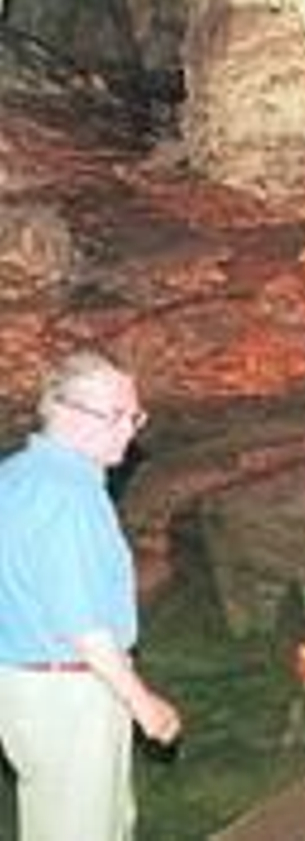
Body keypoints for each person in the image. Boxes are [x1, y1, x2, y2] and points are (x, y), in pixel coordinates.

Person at [0, 352, 182, 841]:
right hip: (70, 695)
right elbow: (83, 626)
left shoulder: (15, 476)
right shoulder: (71, 496)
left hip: (20, 687)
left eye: (136, 416)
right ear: (67, 412)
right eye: (117, 416)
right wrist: (143, 703)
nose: (130, 430)